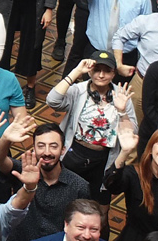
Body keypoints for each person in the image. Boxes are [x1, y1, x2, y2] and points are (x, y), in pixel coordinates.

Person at [45, 52, 138, 197]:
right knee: (65, 196)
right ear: (90, 71)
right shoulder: (79, 90)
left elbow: (131, 134)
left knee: (99, 204)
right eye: (97, 70)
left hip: (103, 158)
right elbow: (52, 100)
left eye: (107, 71)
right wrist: (76, 71)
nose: (101, 75)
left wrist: (122, 111)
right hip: (75, 153)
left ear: (113, 74)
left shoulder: (121, 95)